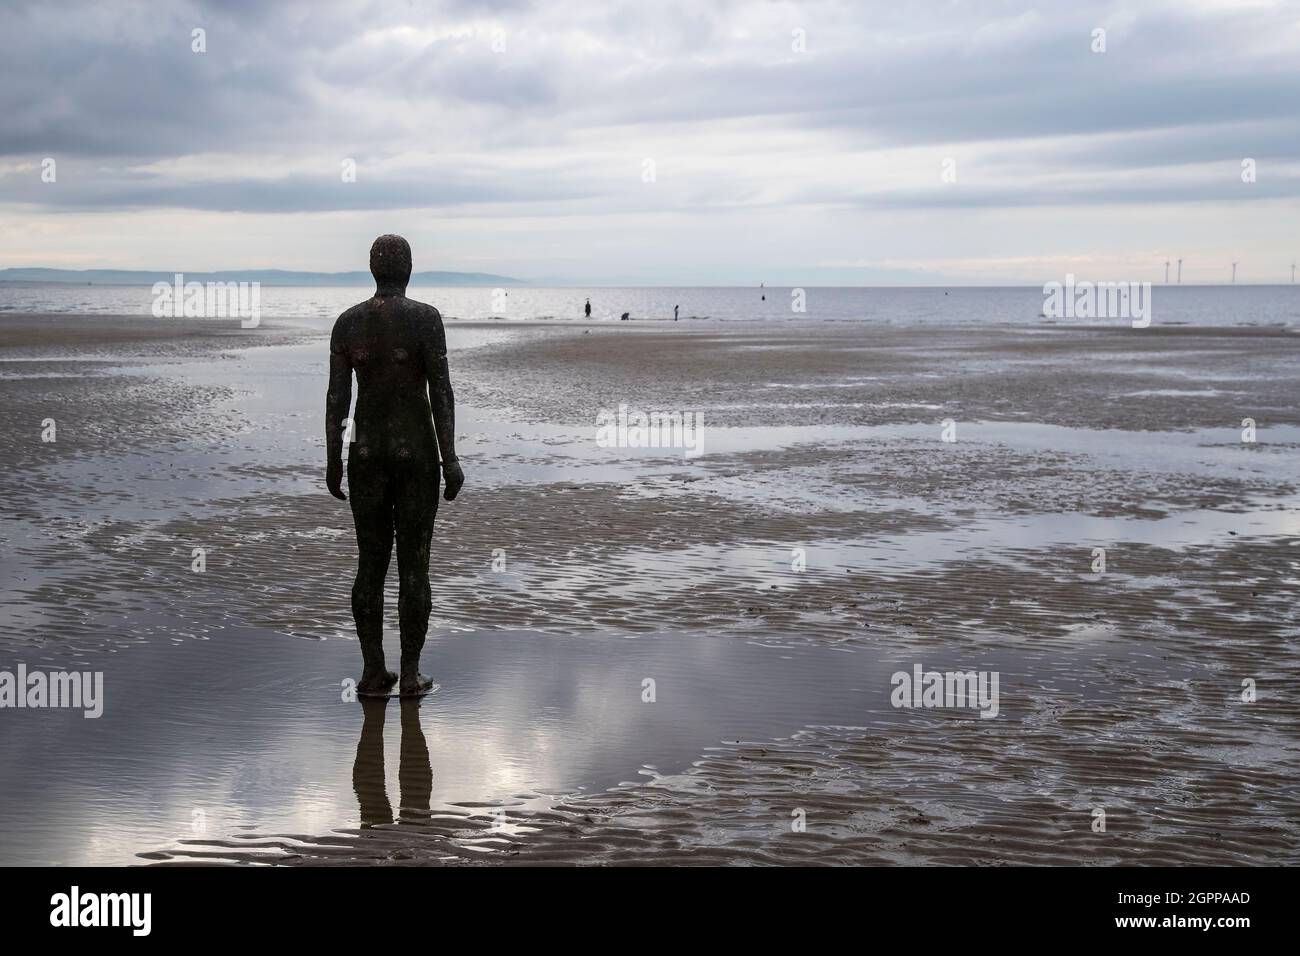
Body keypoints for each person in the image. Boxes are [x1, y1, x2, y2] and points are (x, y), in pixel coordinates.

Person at [325, 234, 464, 698]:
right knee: (414, 565)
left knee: (370, 564)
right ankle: (408, 673)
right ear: (407, 269)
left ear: (372, 269)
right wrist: (451, 458)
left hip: (365, 454)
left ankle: (371, 672)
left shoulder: (348, 323)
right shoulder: (426, 320)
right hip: (416, 453)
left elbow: (337, 398)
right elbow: (440, 391)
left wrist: (333, 459)